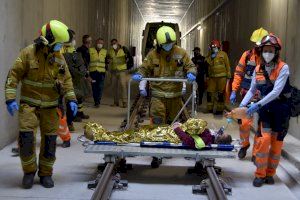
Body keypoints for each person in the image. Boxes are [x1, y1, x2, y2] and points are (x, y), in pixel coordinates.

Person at [5, 20, 78, 189]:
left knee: (50, 141)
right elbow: (13, 76)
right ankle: (29, 172)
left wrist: (72, 99)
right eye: (59, 44)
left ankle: (46, 173)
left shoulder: (59, 59)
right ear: (49, 41)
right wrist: (10, 99)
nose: (61, 48)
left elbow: (67, 80)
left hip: (51, 107)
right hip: (28, 106)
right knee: (27, 139)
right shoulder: (27, 54)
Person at [132, 26, 196, 167]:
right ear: (159, 44)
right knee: (157, 122)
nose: (169, 46)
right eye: (166, 44)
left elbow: (190, 66)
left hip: (175, 95)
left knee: (173, 123)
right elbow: (145, 67)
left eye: (171, 43)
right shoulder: (153, 54)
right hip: (158, 95)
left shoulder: (181, 53)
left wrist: (191, 72)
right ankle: (157, 152)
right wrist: (140, 74)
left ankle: (169, 146)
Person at [240, 34, 292, 187]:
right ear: (261, 51)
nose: (267, 53)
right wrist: (242, 106)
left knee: (276, 145)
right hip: (266, 111)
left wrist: (256, 105)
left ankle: (270, 174)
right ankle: (260, 175)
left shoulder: (284, 68)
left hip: (281, 112)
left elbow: (276, 92)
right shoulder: (258, 69)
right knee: (264, 141)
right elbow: (251, 90)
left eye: (271, 50)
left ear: (276, 52)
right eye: (265, 50)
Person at [230, 28, 269, 159]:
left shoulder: (269, 58)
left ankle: (256, 152)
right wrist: (234, 90)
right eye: (256, 44)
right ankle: (245, 144)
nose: (258, 47)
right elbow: (238, 73)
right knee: (244, 123)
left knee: (261, 127)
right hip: (248, 94)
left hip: (263, 97)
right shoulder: (247, 56)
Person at [61, 30, 88, 133]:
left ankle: (69, 122)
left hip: (72, 81)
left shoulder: (73, 50)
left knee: (70, 102)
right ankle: (65, 123)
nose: (74, 41)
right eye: (73, 38)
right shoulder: (59, 50)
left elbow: (78, 66)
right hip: (61, 80)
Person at [205, 40, 231, 114]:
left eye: (215, 47)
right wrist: (211, 57)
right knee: (210, 92)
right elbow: (207, 63)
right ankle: (210, 108)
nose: (214, 48)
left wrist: (229, 76)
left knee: (220, 93)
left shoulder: (223, 54)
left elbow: (227, 65)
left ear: (219, 47)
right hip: (212, 77)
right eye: (213, 47)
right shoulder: (210, 55)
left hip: (222, 77)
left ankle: (219, 110)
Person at [108, 39, 129, 108]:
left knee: (123, 86)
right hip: (114, 70)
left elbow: (128, 58)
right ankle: (115, 102)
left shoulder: (123, 50)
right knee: (114, 87)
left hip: (122, 70)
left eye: (115, 43)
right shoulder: (110, 51)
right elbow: (109, 59)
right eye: (112, 44)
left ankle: (124, 102)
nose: (114, 45)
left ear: (117, 43)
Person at [75, 35, 91, 121]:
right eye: (89, 40)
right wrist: (86, 75)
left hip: (82, 74)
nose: (90, 41)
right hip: (80, 75)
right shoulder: (81, 50)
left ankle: (80, 113)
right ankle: (76, 114)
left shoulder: (85, 50)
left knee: (81, 96)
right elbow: (82, 64)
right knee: (79, 95)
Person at [89, 38, 108, 107]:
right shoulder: (90, 50)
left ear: (103, 44)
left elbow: (106, 62)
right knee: (94, 87)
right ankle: (96, 101)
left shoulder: (105, 51)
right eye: (98, 43)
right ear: (96, 43)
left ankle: (98, 101)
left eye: (101, 43)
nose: (100, 44)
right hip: (93, 73)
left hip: (101, 73)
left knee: (100, 87)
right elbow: (87, 60)